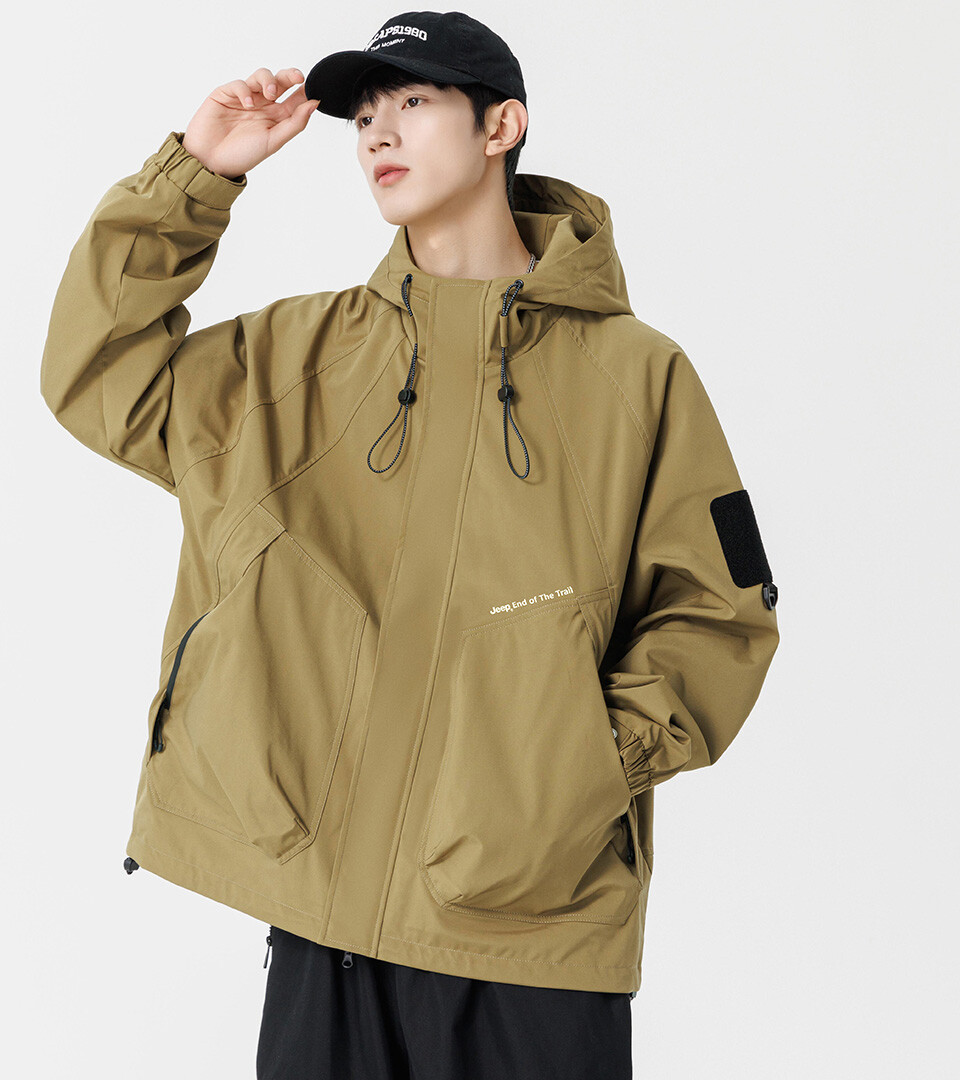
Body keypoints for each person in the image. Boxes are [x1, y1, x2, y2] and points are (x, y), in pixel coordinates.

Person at [40, 11, 780, 1079]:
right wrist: (197, 175)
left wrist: (572, 773)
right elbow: (98, 372)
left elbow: (719, 614)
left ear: (501, 127)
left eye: (415, 103)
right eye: (363, 117)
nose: (379, 133)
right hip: (320, 924)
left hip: (533, 938)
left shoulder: (638, 377)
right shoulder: (293, 359)